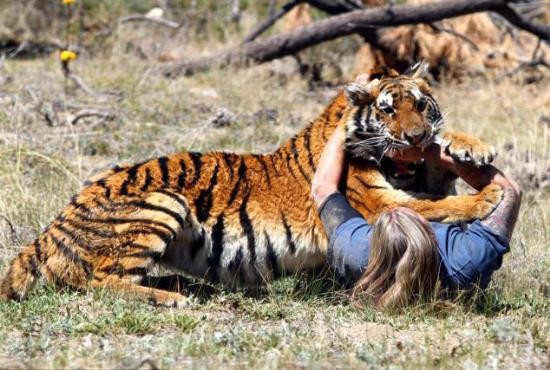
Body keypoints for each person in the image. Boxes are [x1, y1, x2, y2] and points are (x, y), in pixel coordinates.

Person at [311, 129, 522, 310]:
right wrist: (432, 152)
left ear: (373, 240)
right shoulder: (464, 259)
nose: (396, 207)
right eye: (412, 211)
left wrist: (346, 120)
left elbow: (323, 187)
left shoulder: (356, 250)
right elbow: (510, 191)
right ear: (429, 230)